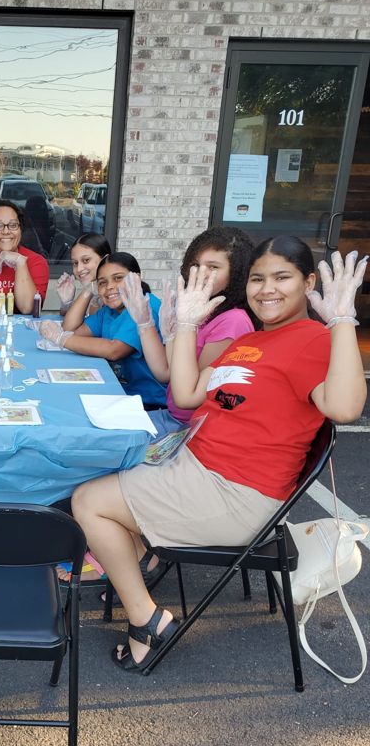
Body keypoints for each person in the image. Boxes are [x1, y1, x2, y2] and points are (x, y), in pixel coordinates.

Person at [72, 239, 368, 673]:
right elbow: (187, 393)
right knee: (94, 476)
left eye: (282, 277)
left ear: (308, 283)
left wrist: (342, 320)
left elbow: (343, 408)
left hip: (236, 492)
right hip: (194, 466)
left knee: (88, 502)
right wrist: (187, 324)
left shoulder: (312, 340)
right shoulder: (251, 340)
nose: (267, 289)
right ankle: (135, 565)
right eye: (258, 279)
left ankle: (147, 620)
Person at [120, 225, 255, 425]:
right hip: (173, 416)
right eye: (196, 265)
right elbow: (166, 373)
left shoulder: (233, 321)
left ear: (236, 273)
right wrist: (145, 323)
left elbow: (188, 393)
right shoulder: (204, 313)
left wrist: (184, 326)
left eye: (213, 267)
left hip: (192, 427)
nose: (201, 273)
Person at [38, 251, 167, 409]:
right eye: (102, 283)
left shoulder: (145, 306)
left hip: (149, 403)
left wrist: (61, 338)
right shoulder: (108, 311)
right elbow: (72, 330)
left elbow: (114, 350)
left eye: (118, 278)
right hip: (120, 393)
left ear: (137, 278)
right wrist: (88, 291)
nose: (110, 286)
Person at [55, 232, 109, 317]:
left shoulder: (112, 295)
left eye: (86, 260)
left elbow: (77, 324)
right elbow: (73, 320)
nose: (79, 269)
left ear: (105, 260)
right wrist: (67, 303)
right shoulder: (93, 290)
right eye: (75, 263)